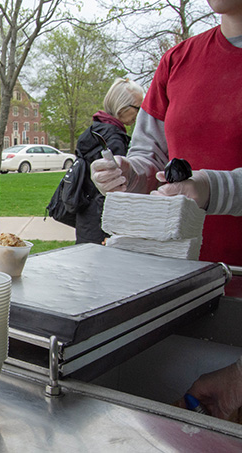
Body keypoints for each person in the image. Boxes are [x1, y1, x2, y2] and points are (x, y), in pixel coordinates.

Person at [90, 0, 242, 265]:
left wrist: (211, 189)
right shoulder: (177, 61)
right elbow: (150, 157)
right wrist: (130, 174)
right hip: (180, 278)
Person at [71, 78, 144, 244]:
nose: (139, 114)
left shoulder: (94, 131)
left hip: (85, 216)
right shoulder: (114, 140)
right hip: (102, 222)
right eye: (137, 108)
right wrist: (109, 229)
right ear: (122, 106)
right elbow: (111, 188)